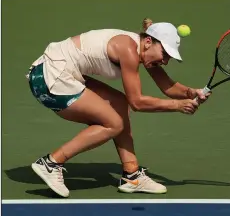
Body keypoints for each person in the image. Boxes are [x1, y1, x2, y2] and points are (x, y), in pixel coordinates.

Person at [27, 18, 211, 198]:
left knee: (120, 104)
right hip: (49, 77)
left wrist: (191, 93)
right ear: (148, 42)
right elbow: (137, 102)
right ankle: (51, 163)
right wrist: (178, 105)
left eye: (169, 57)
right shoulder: (128, 50)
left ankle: (131, 176)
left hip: (63, 73)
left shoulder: (144, 50)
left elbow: (167, 86)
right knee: (114, 123)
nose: (165, 61)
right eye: (165, 54)